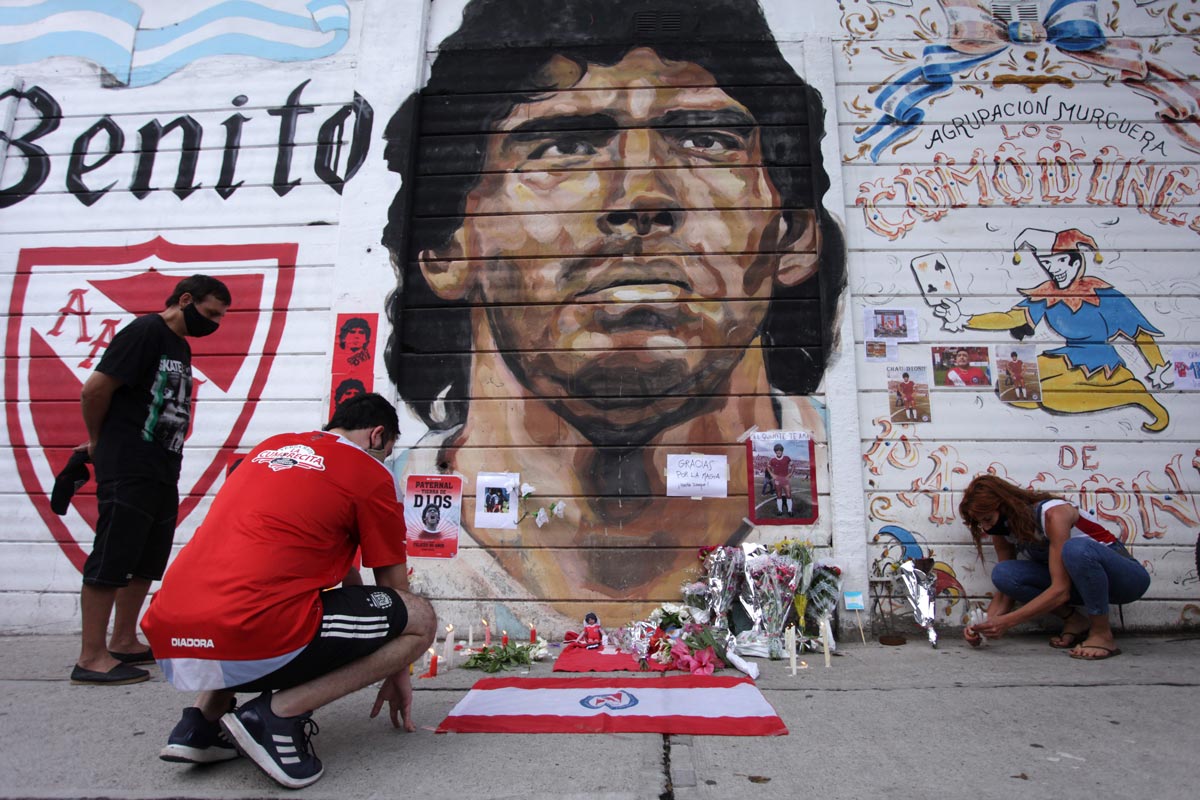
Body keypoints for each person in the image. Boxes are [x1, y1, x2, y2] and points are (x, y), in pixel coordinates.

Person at [381, 0, 846, 613]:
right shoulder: (380, 505)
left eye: (707, 140)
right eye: (563, 146)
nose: (641, 195)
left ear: (795, 236)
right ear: (443, 248)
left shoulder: (850, 473)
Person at [140, 394, 434, 789]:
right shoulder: (368, 472)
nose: (385, 460)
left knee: (254, 592)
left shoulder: (268, 449)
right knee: (420, 617)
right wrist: (399, 666)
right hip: (254, 631)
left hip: (171, 636)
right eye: (388, 452)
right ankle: (277, 715)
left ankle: (202, 722)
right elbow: (397, 593)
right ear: (377, 436)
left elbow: (319, 561)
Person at [71, 274, 231, 686]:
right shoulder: (145, 332)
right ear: (185, 299)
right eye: (210, 313)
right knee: (113, 555)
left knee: (145, 557)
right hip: (129, 461)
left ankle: (124, 640)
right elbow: (95, 390)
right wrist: (96, 441)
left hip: (161, 465)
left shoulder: (178, 344)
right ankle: (91, 657)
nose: (213, 323)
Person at [934, 227, 1173, 431]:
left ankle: (1133, 392)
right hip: (1067, 354)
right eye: (1047, 263)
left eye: (1060, 262)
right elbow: (1009, 318)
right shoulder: (1048, 294)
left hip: (1099, 360)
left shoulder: (1102, 294)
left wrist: (1159, 366)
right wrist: (965, 318)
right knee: (1012, 387)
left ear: (1076, 261)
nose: (1053, 269)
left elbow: (1140, 333)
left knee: (1053, 397)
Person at [958, 475, 1150, 660]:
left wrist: (1007, 622)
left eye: (988, 519)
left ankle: (1101, 633)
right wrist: (983, 626)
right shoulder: (1003, 530)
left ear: (1006, 505)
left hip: (1126, 580)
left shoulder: (1053, 514)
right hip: (1081, 585)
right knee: (1004, 573)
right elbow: (1004, 592)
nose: (986, 528)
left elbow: (1060, 590)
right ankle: (1075, 620)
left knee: (1076, 549)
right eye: (980, 522)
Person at [766, 444, 795, 517]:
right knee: (779, 495)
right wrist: (772, 474)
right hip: (777, 480)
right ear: (775, 451)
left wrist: (790, 474)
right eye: (777, 450)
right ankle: (780, 510)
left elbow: (793, 466)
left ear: (782, 451)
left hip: (785, 479)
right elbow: (768, 466)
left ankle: (790, 510)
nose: (778, 452)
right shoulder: (773, 460)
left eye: (780, 450)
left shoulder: (787, 458)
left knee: (788, 495)